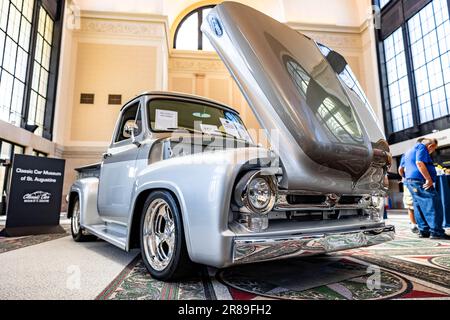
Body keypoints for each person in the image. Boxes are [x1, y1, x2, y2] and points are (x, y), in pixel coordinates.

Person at [403, 138, 449, 240]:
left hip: (411, 181)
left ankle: (424, 231)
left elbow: (401, 169)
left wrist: (406, 179)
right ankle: (436, 232)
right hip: (421, 180)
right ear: (430, 146)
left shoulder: (408, 151)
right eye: (433, 149)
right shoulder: (421, 147)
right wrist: (428, 179)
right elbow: (419, 162)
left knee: (418, 205)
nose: (432, 152)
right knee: (433, 204)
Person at [399, 154, 419, 234]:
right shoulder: (407, 155)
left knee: (411, 204)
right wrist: (404, 177)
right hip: (410, 182)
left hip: (411, 181)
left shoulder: (407, 155)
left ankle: (415, 224)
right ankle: (414, 224)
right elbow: (400, 169)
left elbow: (400, 169)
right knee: (410, 204)